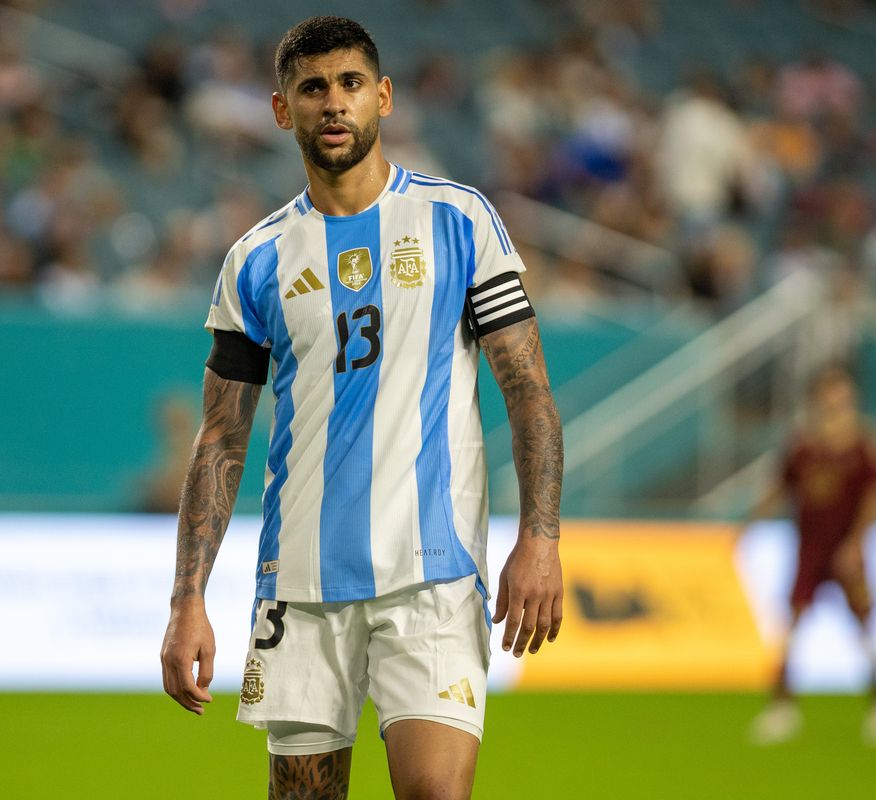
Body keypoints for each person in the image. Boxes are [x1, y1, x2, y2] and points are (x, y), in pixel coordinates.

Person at [160, 17, 564, 799]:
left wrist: (539, 540)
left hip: (433, 575)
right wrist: (187, 602)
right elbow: (220, 440)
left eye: (349, 85)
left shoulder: (459, 220)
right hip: (300, 588)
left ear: (382, 96)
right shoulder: (256, 260)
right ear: (284, 110)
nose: (333, 104)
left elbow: (528, 390)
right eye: (312, 88)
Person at [746, 365, 876, 747]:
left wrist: (857, 542)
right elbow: (781, 488)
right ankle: (783, 705)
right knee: (793, 622)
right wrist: (750, 522)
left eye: (842, 396)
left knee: (864, 623)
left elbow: (874, 498)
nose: (835, 404)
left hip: (845, 549)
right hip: (810, 549)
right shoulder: (804, 446)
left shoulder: (865, 445)